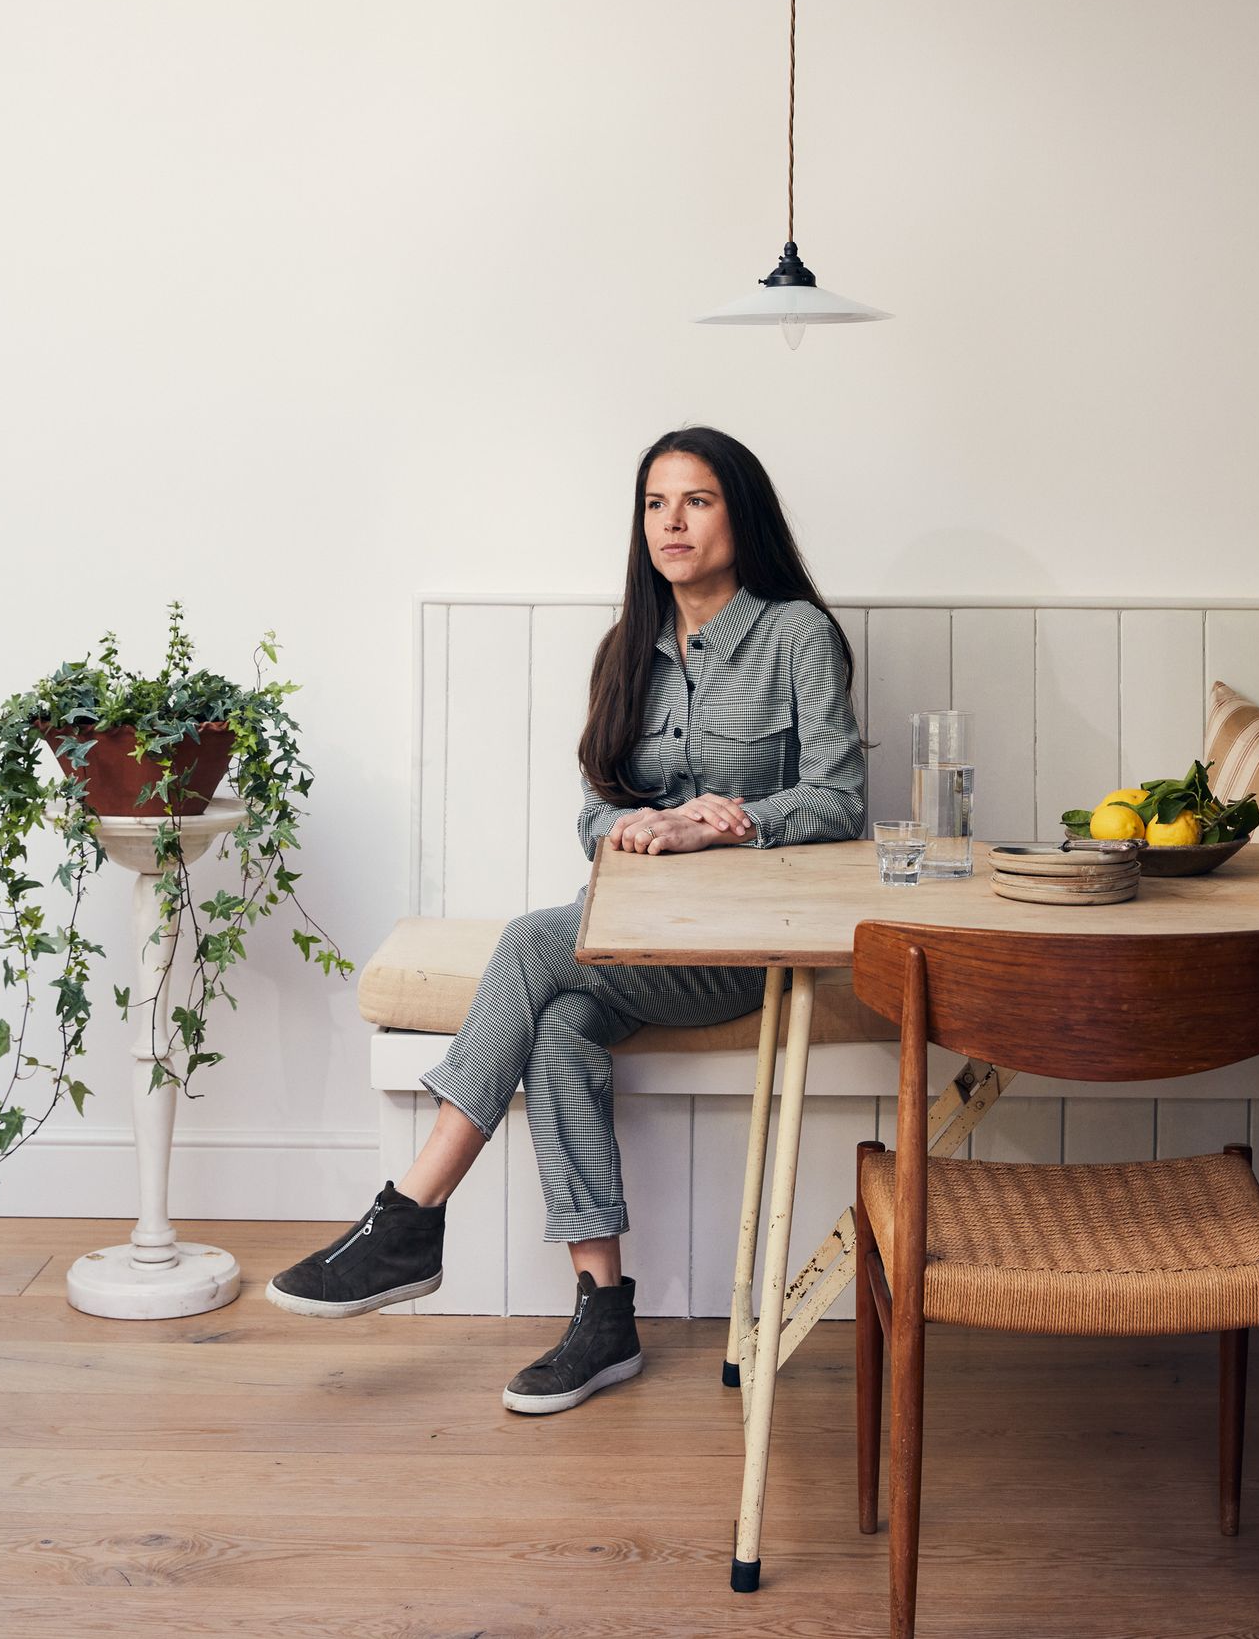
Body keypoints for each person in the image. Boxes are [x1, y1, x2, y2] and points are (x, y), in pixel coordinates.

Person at [267, 425, 865, 1413]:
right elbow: (594, 810)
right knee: (559, 1023)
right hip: (632, 943)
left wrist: (729, 822)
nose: (671, 523)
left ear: (740, 514)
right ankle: (602, 1313)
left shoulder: (796, 635)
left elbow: (840, 801)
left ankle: (411, 1213)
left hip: (739, 949)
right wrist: (637, 824)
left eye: (697, 500)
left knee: (530, 939)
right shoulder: (626, 650)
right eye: (655, 504)